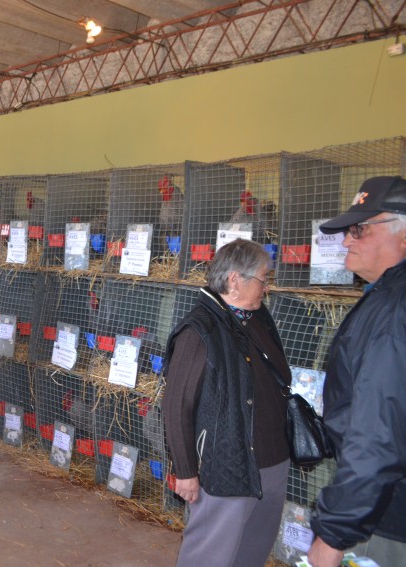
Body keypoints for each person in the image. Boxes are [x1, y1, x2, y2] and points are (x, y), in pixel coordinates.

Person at [162, 238, 291, 567]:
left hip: (271, 462)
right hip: (227, 468)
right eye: (263, 279)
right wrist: (186, 471)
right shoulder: (200, 330)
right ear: (235, 280)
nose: (266, 287)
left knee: (252, 551)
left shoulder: (257, 319)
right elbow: (177, 405)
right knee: (210, 555)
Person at [308, 176, 406, 567]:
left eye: (359, 229)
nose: (347, 241)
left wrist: (334, 533)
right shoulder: (387, 298)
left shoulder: (393, 311)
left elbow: (378, 431)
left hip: (383, 518)